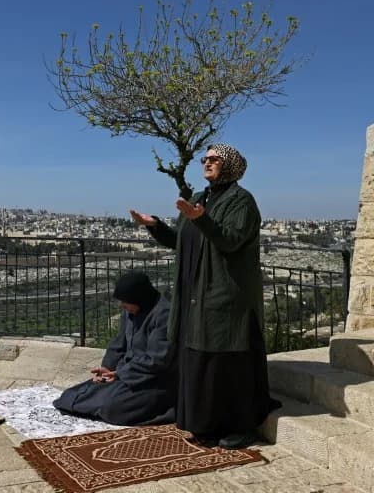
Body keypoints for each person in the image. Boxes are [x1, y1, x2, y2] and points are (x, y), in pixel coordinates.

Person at [129, 143, 275, 449]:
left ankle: (240, 426)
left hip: (225, 294)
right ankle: (205, 425)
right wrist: (155, 226)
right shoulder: (199, 198)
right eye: (205, 159)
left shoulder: (242, 202)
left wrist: (201, 219)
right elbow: (181, 241)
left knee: (226, 362)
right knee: (200, 360)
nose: (207, 163)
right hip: (195, 293)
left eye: (214, 159)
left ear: (230, 165)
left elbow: (231, 240)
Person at [53, 272, 176, 426]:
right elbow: (119, 343)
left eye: (125, 302)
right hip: (125, 375)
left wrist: (120, 373)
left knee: (112, 408)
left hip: (152, 381)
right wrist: (107, 368)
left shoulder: (164, 315)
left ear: (140, 298)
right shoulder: (131, 310)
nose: (122, 306)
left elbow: (157, 360)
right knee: (71, 395)